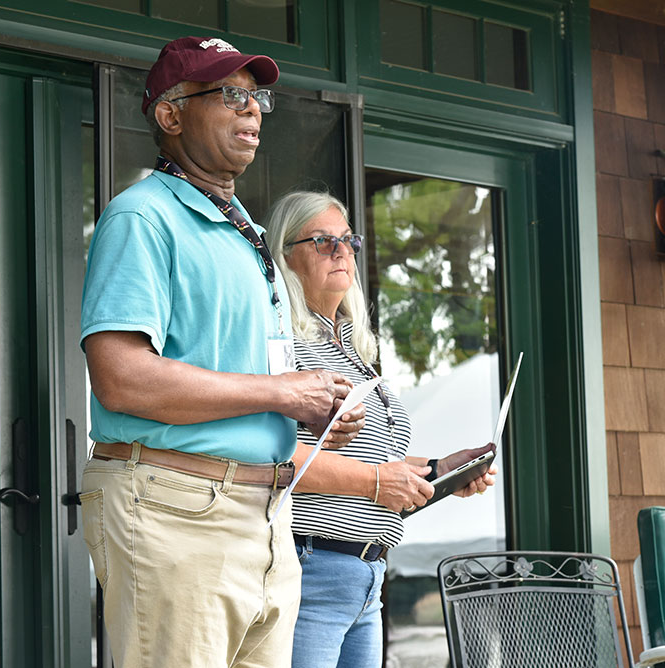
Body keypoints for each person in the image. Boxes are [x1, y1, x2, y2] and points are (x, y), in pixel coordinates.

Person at [78, 38, 364, 668]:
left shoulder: (249, 232)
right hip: (175, 507)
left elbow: (242, 371)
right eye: (230, 95)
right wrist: (281, 394)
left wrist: (305, 414)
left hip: (265, 517)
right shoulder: (142, 218)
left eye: (257, 97)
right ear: (171, 115)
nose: (254, 111)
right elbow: (121, 380)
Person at [262, 190, 499, 668]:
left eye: (348, 240)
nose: (342, 251)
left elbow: (374, 463)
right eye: (323, 241)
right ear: (285, 257)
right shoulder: (282, 349)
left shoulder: (355, 350)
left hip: (368, 576)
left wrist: (440, 469)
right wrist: (376, 483)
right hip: (310, 565)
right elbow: (273, 458)